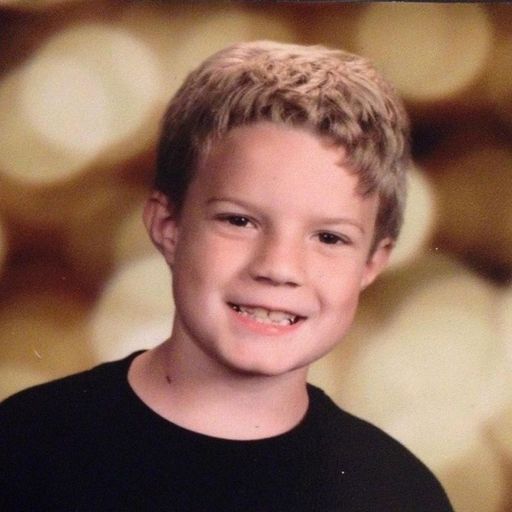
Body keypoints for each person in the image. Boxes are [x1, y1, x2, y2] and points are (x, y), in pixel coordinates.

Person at [0, 40, 454, 511]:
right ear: (168, 226)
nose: (278, 268)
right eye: (239, 221)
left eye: (329, 238)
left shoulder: (398, 494)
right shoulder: (25, 447)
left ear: (372, 263)